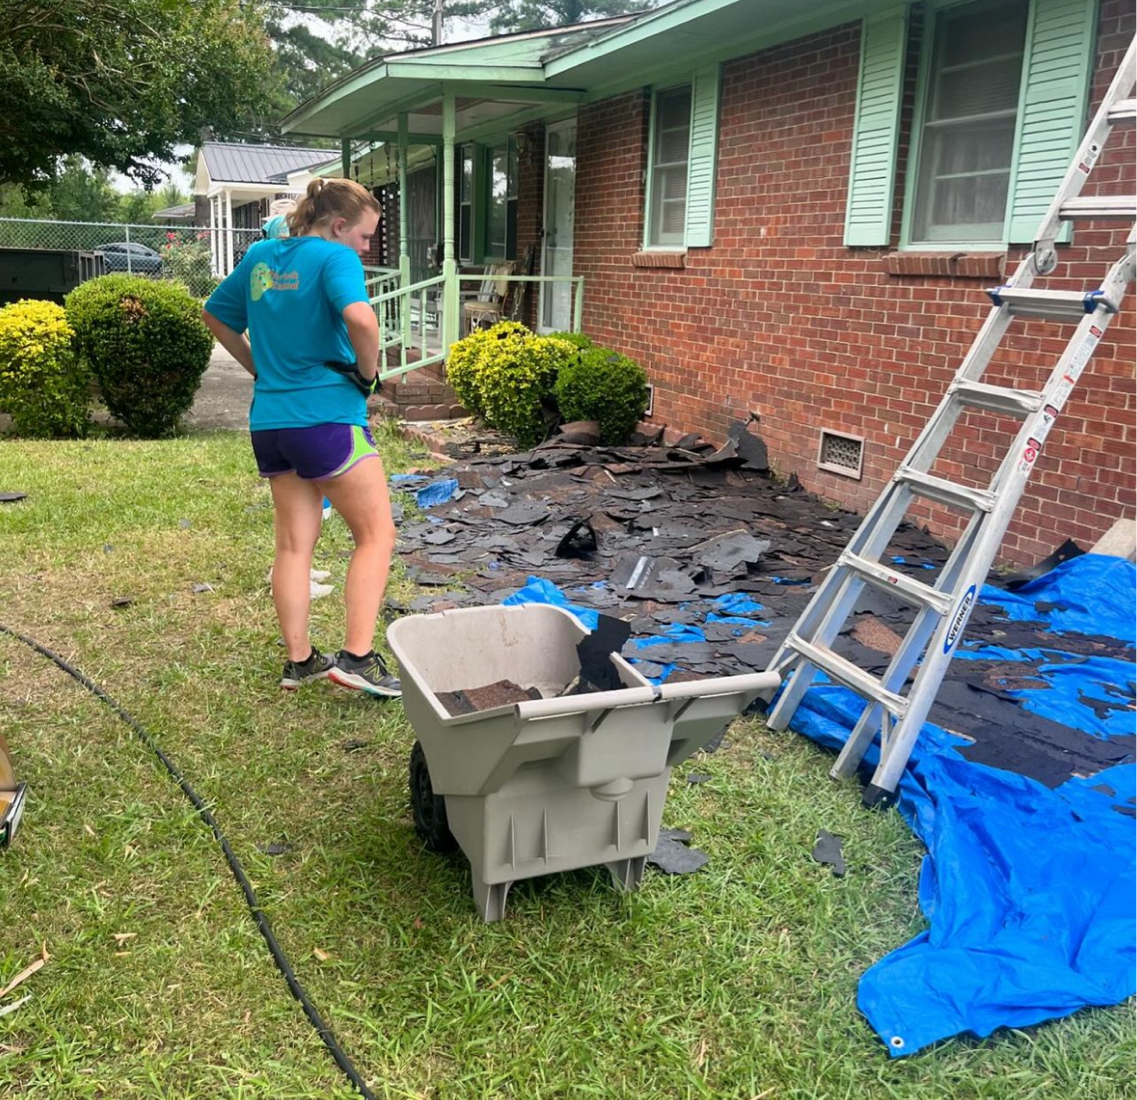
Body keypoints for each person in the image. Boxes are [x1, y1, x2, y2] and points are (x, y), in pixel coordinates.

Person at [202, 178, 401, 698]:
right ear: (338, 226)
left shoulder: (263, 255)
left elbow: (215, 315)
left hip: (272, 424)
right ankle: (357, 658)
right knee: (376, 536)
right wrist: (366, 375)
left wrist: (258, 368)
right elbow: (361, 319)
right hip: (327, 420)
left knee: (293, 545)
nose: (365, 247)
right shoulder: (335, 259)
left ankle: (301, 661)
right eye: (364, 236)